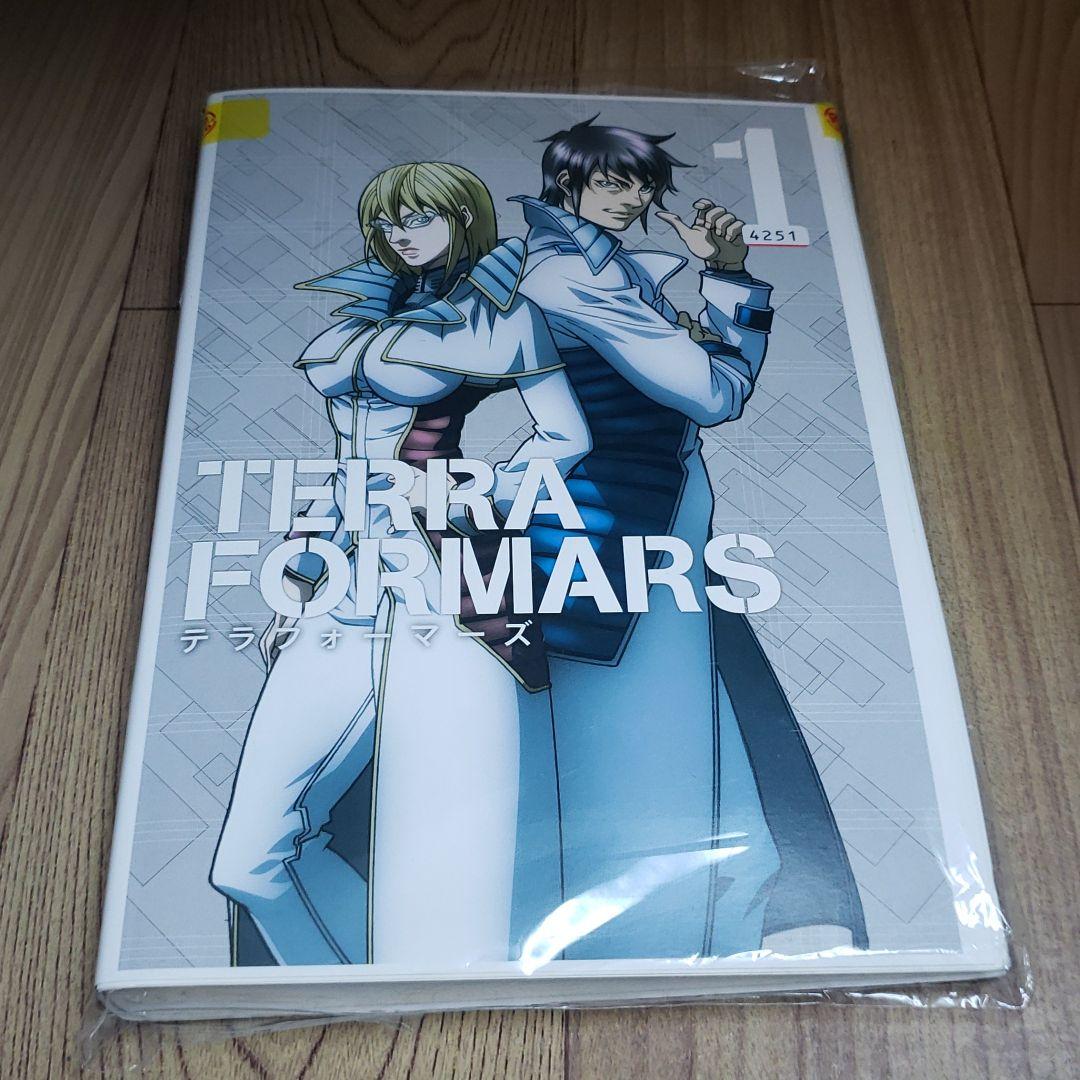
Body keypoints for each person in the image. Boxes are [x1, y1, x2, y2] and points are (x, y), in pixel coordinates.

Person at [210, 161, 590, 967]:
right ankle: (346, 986)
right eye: (387, 222)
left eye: (418, 218)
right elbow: (342, 466)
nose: (399, 234)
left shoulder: (504, 315)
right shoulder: (370, 311)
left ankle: (404, 993)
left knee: (444, 878)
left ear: (463, 218)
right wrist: (300, 576)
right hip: (344, 580)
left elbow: (567, 437)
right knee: (247, 862)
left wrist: (466, 488)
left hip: (438, 582)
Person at [510, 117, 866, 961]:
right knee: (637, 732)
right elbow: (710, 393)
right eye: (612, 182)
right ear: (568, 184)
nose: (631, 199)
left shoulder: (613, 267)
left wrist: (727, 276)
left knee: (707, 708)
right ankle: (657, 935)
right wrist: (725, 287)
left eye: (641, 185)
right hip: (605, 514)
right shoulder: (569, 275)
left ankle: (753, 918)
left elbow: (701, 378)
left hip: (655, 508)